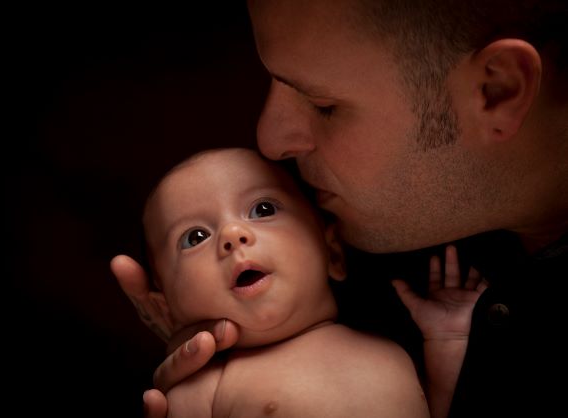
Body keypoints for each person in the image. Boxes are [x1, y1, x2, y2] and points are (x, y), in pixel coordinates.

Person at [112, 1, 567, 417]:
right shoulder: (361, 240)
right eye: (195, 237)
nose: (269, 141)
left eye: (323, 104)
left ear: (498, 89)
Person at [116, 146, 487, 417]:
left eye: (263, 209)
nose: (232, 234)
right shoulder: (207, 384)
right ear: (166, 306)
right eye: (194, 237)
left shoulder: (389, 347)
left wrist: (446, 341)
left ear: (334, 254)